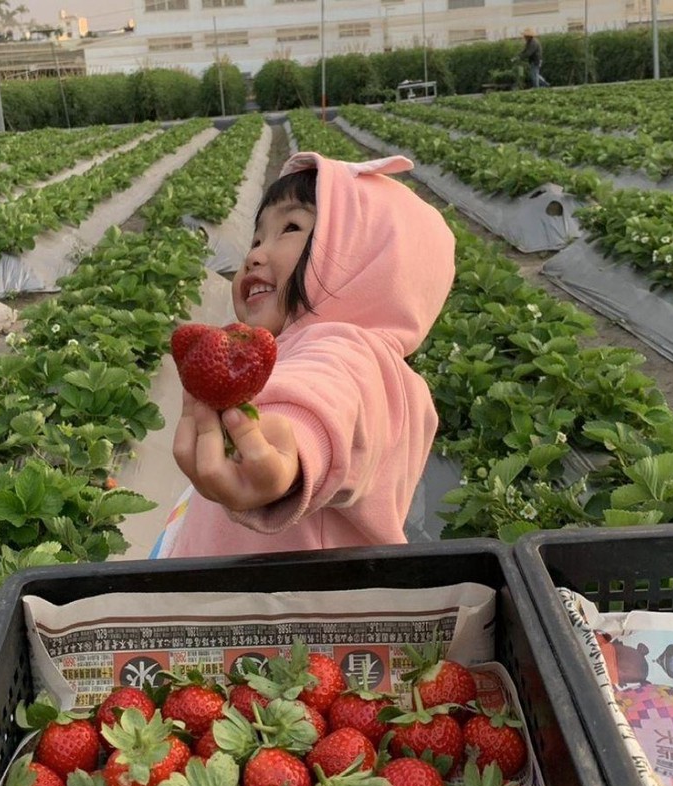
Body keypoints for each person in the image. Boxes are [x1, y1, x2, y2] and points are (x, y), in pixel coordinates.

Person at [151, 152, 457, 558]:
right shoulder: (289, 349)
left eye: (291, 228)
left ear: (365, 259)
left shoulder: (353, 354)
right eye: (256, 238)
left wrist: (287, 452)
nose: (253, 255)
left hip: (273, 597)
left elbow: (327, 405)